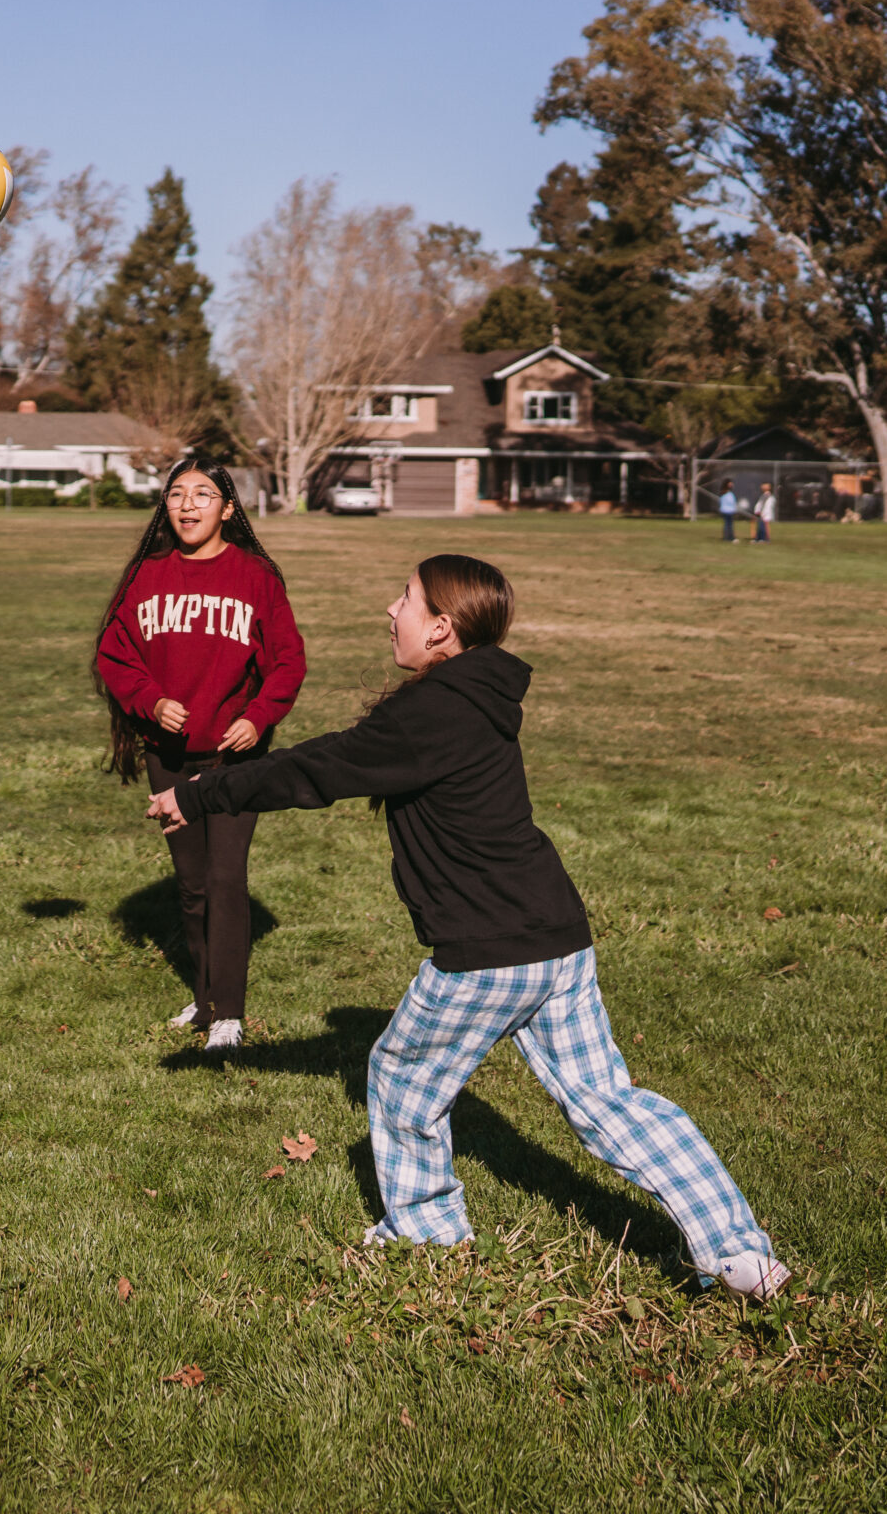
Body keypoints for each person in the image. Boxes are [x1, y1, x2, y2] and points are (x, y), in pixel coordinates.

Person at [147, 555, 789, 1300]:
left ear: (442, 628)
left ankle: (426, 1236)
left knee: (401, 1079)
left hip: (487, 951)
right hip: (556, 937)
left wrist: (201, 793)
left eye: (406, 601)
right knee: (609, 1101)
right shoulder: (476, 696)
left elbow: (323, 768)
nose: (391, 611)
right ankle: (739, 1252)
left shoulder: (432, 712)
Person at [96, 457, 305, 1049]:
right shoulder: (147, 577)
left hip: (236, 761)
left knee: (225, 876)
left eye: (204, 494)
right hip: (170, 755)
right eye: (177, 495)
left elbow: (288, 661)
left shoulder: (256, 577)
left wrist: (257, 717)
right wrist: (151, 702)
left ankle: (231, 1015)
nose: (188, 505)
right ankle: (206, 998)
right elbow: (116, 656)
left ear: (229, 509)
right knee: (191, 884)